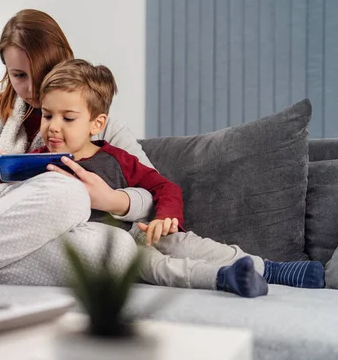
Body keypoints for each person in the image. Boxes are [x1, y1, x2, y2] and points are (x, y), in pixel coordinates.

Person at [0, 9, 323, 294]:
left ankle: (257, 269)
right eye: (16, 76)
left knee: (115, 243)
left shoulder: (97, 118)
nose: (31, 91)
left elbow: (150, 191)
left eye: (40, 73)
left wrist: (110, 199)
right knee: (67, 197)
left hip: (76, 235)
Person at [29, 58, 326, 296]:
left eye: (67, 118)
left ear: (97, 123)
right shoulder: (34, 162)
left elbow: (163, 186)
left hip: (140, 231)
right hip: (108, 251)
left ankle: (273, 269)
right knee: (157, 266)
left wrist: (165, 217)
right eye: (47, 115)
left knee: (185, 244)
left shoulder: (115, 158)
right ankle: (224, 278)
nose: (53, 127)